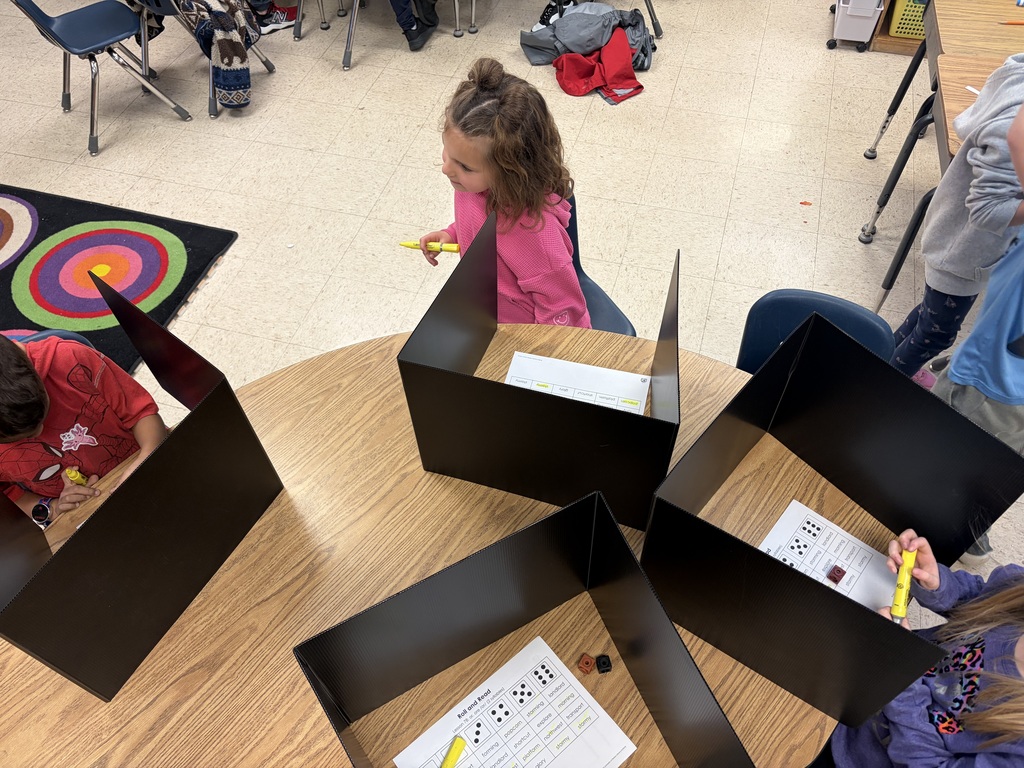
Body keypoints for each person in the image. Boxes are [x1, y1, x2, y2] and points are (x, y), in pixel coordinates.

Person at [418, 58, 592, 329]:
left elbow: (564, 309)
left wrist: (537, 351)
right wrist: (452, 234)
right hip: (486, 309)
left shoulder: (534, 234)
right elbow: (477, 221)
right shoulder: (470, 183)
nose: (446, 169)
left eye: (464, 166)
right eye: (447, 153)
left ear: (510, 170)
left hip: (525, 330)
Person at [825, 529, 1024, 766]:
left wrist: (901, 675)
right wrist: (937, 584)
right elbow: (980, 597)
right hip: (855, 667)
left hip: (853, 753)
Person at [891, 54, 1024, 383]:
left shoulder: (1017, 74)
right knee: (936, 335)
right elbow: (988, 211)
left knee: (928, 317)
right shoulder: (1012, 129)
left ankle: (882, 356)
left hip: (957, 238)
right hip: (963, 253)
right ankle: (878, 385)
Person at [0, 335, 166, 529]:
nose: (40, 432)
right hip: (84, 520)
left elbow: (142, 413)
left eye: (43, 415)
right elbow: (8, 496)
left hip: (153, 466)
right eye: (23, 437)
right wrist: (52, 508)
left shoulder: (70, 358)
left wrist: (147, 455)